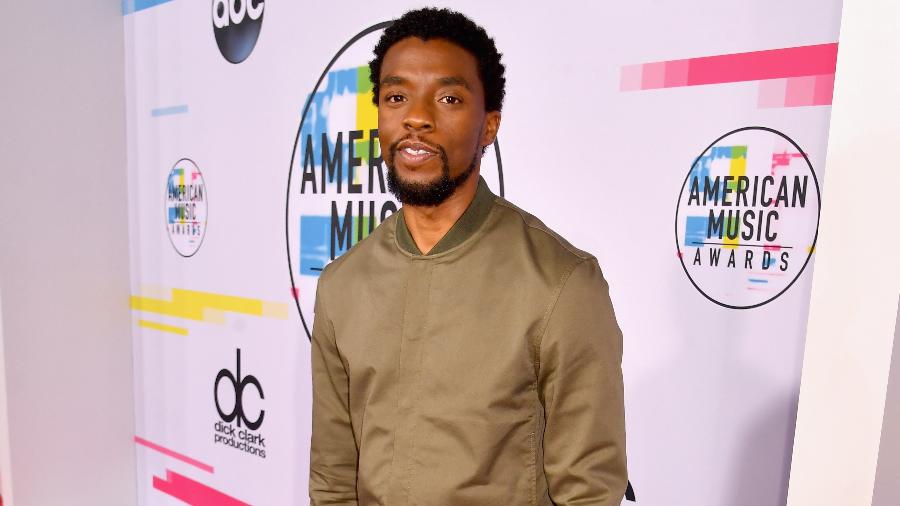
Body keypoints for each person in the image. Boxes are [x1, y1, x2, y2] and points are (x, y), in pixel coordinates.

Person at [309, 7, 627, 505]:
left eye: (449, 98)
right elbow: (332, 478)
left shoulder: (562, 284)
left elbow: (589, 493)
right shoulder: (341, 285)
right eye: (396, 97)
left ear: (489, 126)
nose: (417, 117)